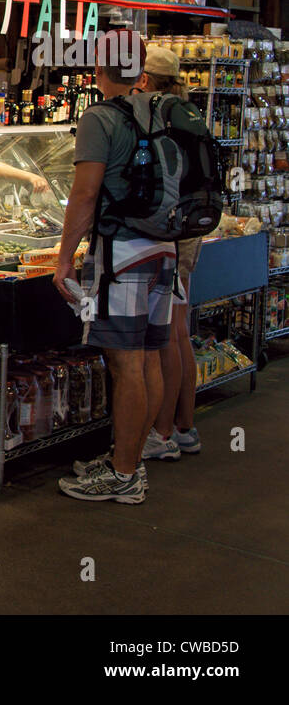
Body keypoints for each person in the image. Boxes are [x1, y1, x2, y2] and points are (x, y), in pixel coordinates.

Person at [53, 28, 174, 504]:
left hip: (122, 254)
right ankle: (132, 458)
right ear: (141, 71)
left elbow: (85, 194)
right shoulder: (159, 109)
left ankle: (124, 474)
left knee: (125, 365)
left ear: (98, 70)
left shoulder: (100, 117)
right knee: (146, 358)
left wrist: (65, 258)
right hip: (163, 246)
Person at [130, 46, 203, 459]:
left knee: (167, 335)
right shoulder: (187, 113)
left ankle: (161, 434)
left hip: (171, 229)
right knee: (180, 329)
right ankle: (185, 427)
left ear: (144, 79)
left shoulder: (157, 116)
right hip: (190, 225)